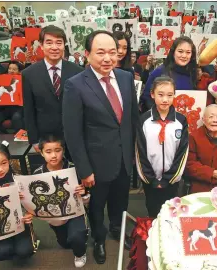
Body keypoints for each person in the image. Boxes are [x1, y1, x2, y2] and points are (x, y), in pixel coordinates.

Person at [62, 30, 139, 264]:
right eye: (101, 52)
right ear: (87, 54)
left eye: (112, 52)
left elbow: (132, 119)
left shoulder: (126, 78)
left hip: (124, 158)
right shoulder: (75, 85)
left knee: (121, 201)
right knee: (96, 207)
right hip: (96, 163)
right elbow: (72, 133)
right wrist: (84, 170)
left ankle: (118, 228)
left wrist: (134, 155)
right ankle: (98, 239)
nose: (108, 58)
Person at [22, 25, 83, 154]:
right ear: (41, 45)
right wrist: (33, 139)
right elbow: (28, 109)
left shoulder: (77, 71)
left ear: (64, 45)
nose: (54, 47)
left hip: (74, 134)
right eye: (49, 43)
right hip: (46, 137)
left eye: (59, 43)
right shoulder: (29, 74)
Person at [136, 77, 189, 217]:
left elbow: (182, 152)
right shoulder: (144, 120)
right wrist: (151, 179)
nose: (165, 99)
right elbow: (139, 152)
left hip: (172, 180)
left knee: (171, 212)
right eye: (160, 94)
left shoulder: (181, 121)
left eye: (169, 95)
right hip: (150, 179)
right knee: (153, 211)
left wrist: (169, 178)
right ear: (152, 94)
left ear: (174, 95)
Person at [33, 135, 89, 268]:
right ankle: (70, 235)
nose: (54, 155)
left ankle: (80, 252)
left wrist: (84, 193)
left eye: (57, 150)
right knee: (65, 243)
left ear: (63, 150)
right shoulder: (37, 174)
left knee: (77, 238)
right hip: (55, 217)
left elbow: (87, 200)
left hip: (75, 213)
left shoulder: (74, 169)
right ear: (41, 153)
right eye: (48, 151)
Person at [140, 36, 197, 111]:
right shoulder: (159, 71)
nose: (184, 56)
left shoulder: (192, 72)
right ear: (173, 52)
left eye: (188, 52)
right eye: (180, 51)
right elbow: (146, 98)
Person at [0, 61, 24, 134]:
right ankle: (5, 137)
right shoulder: (0, 78)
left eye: (14, 69)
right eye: (9, 69)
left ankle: (20, 138)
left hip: (18, 108)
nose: (11, 71)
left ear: (19, 71)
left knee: (16, 118)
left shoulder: (24, 80)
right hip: (3, 108)